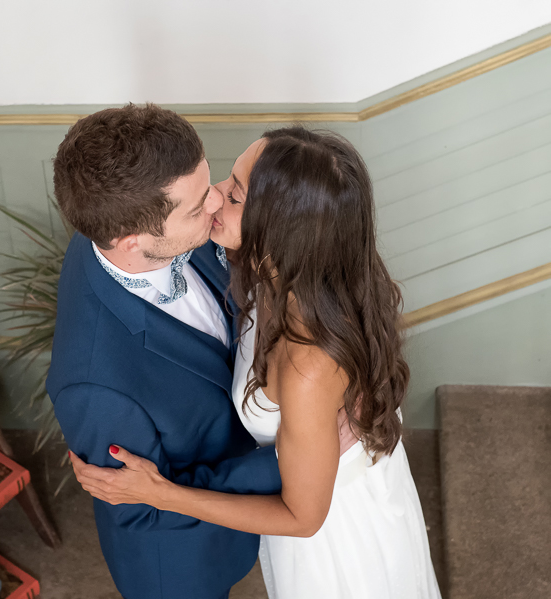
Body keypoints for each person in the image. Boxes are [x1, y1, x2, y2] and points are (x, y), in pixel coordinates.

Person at [71, 127, 443, 599]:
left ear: (282, 226)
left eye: (234, 194)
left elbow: (303, 518)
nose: (213, 199)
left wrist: (161, 493)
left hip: (334, 537)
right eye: (229, 180)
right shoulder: (282, 268)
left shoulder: (308, 365)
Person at [47, 104, 282, 599]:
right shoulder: (95, 385)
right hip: (180, 563)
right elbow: (142, 504)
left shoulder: (129, 220)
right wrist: (299, 459)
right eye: (198, 208)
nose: (219, 201)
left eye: (210, 185)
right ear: (131, 241)